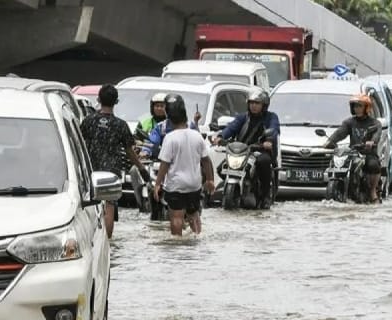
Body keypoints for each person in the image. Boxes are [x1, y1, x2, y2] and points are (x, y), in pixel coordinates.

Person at [80, 84, 150, 239]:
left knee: (91, 206)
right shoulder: (121, 125)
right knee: (109, 206)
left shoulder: (87, 121)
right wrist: (142, 169)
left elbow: (79, 145)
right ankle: (107, 242)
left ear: (98, 99)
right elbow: (130, 152)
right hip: (111, 173)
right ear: (116, 101)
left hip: (91, 171)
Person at [153, 94, 216, 237]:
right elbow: (206, 160)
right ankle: (197, 238)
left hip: (176, 185)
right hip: (194, 184)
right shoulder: (196, 135)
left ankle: (177, 243)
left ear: (169, 117)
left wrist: (158, 184)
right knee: (194, 215)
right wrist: (210, 180)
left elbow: (164, 164)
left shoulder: (170, 138)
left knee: (176, 217)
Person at [215, 87, 280, 209]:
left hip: (260, 150)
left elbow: (274, 129)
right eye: (251, 103)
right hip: (242, 151)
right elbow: (231, 128)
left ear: (264, 105)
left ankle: (265, 196)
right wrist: (220, 136)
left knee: (263, 162)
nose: (253, 106)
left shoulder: (271, 117)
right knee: (221, 168)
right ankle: (234, 188)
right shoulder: (243, 118)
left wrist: (269, 141)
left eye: (257, 103)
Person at [323, 94, 382, 203]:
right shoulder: (349, 122)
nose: (357, 108)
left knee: (373, 165)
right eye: (355, 106)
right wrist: (330, 141)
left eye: (359, 106)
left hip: (368, 153)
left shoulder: (375, 123)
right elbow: (340, 132)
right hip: (353, 153)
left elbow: (376, 135)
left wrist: (371, 142)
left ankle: (373, 192)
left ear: (366, 108)